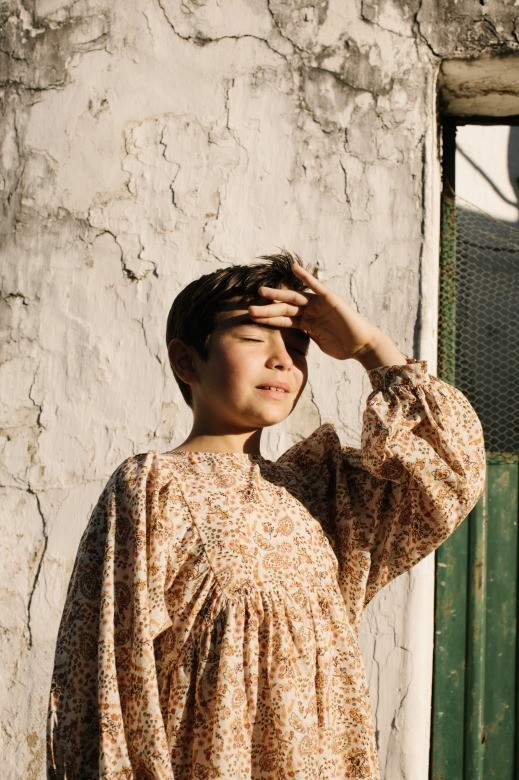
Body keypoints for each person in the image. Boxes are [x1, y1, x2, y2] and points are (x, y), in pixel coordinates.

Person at [47, 251, 485, 779]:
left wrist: (370, 348)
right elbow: (110, 679)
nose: (282, 360)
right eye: (254, 339)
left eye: (298, 348)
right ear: (186, 361)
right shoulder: (153, 486)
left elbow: (454, 470)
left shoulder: (324, 494)